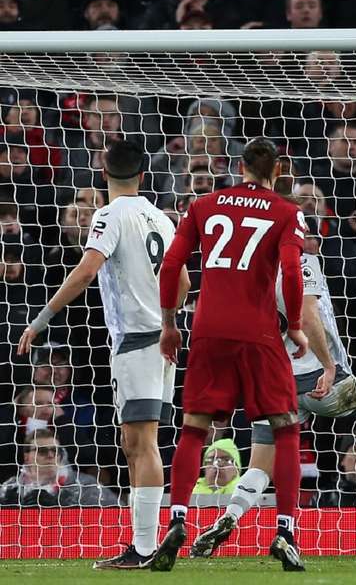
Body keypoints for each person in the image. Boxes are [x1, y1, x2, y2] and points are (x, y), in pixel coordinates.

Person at [189, 245, 356, 557]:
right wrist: (329, 365)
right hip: (317, 375)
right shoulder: (301, 262)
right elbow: (308, 314)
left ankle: (230, 516)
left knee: (260, 463)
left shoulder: (245, 272)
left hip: (273, 381)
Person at [17, 139, 184, 569]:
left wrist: (40, 321)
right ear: (143, 176)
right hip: (162, 342)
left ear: (104, 175)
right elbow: (182, 282)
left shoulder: (109, 214)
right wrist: (166, 318)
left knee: (141, 445)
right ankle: (145, 544)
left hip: (135, 343)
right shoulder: (161, 220)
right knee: (137, 444)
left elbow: (87, 269)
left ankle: (145, 548)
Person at [152, 137, 309, 572]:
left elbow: (170, 266)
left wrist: (169, 323)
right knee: (285, 427)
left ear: (239, 166)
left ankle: (178, 519)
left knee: (193, 427)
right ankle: (285, 532)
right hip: (258, 332)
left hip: (207, 330)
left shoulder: (203, 205)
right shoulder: (286, 211)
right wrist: (293, 324)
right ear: (278, 170)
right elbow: (293, 270)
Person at [0, 429, 118, 507]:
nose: (51, 455)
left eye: (55, 450)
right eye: (42, 451)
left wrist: (63, 507)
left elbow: (115, 516)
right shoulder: (10, 488)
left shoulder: (85, 485)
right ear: (26, 457)